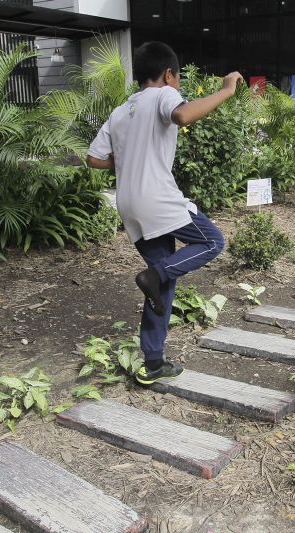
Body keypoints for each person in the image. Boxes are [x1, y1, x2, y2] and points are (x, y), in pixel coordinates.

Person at [86, 41, 242, 385]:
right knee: (213, 241)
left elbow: (94, 159)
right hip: (158, 200)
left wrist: (129, 157)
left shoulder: (120, 111)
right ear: (168, 74)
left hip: (129, 205)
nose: (180, 84)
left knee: (163, 278)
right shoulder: (163, 95)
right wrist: (227, 90)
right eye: (179, 78)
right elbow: (184, 115)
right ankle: (153, 277)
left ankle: (153, 362)